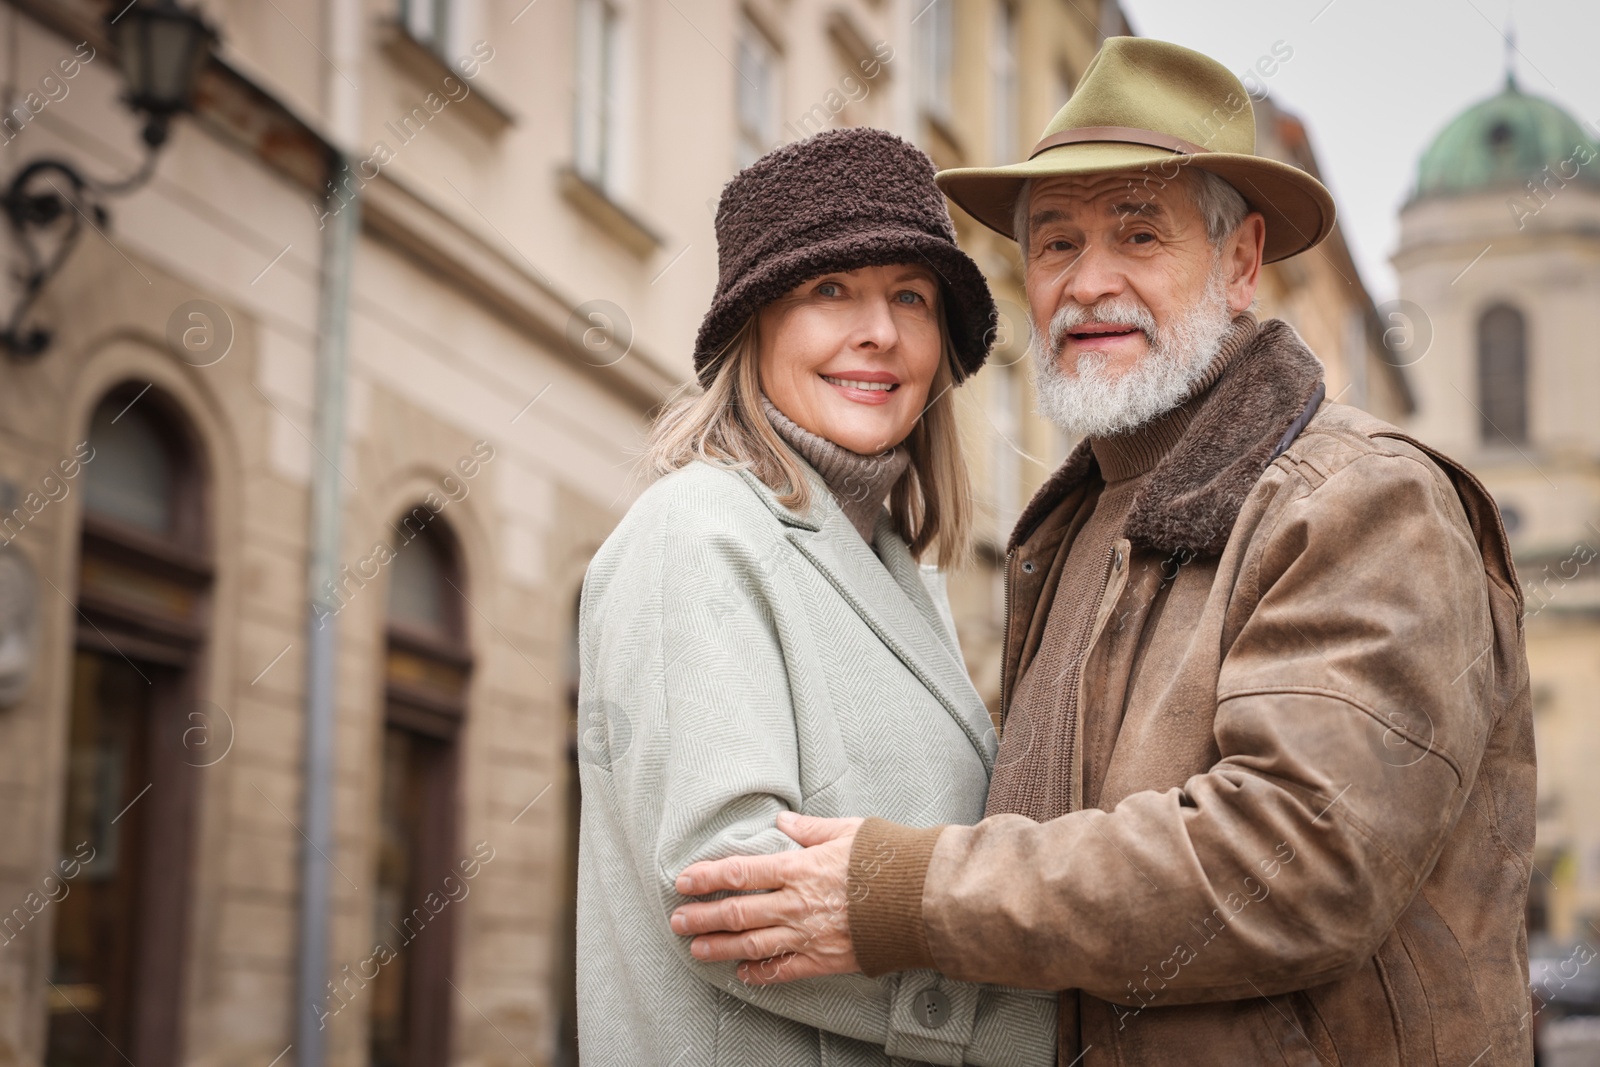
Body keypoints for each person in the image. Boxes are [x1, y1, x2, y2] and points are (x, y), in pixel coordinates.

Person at [670, 37, 1536, 1067]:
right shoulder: (1076, 522)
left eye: (1138, 233)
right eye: (1056, 244)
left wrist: (903, 891)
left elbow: (1295, 860)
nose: (1089, 284)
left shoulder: (1363, 496)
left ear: (1241, 261)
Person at [575, 127, 1059, 1066]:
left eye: (909, 296)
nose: (879, 331)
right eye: (829, 289)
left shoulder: (895, 564)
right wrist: (1041, 1018)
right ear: (755, 326)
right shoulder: (699, 531)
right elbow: (725, 890)